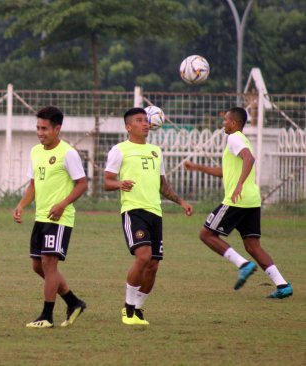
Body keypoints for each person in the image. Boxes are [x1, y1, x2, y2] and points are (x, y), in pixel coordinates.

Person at [184, 107, 292, 299]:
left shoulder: (233, 138)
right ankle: (282, 285)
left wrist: (239, 185)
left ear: (233, 123)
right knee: (252, 245)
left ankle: (243, 265)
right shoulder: (241, 140)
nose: (223, 123)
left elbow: (249, 159)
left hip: (237, 200)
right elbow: (225, 171)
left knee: (206, 234)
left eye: (225, 120)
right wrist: (197, 167)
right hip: (251, 200)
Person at [104, 107, 193, 326]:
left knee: (153, 266)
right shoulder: (120, 150)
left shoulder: (156, 151)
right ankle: (128, 309)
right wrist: (119, 184)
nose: (145, 123)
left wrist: (181, 201)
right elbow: (107, 182)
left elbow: (163, 186)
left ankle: (139, 309)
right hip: (133, 211)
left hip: (155, 212)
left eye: (146, 120)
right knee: (143, 257)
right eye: (139, 120)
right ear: (128, 126)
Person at [13, 106, 88, 329]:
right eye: (38, 128)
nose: (40, 132)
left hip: (60, 219)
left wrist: (63, 204)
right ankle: (74, 302)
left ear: (57, 129)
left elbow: (82, 184)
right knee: (38, 266)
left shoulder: (68, 153)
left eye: (44, 128)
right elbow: (33, 185)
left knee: (49, 263)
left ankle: (47, 316)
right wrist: (21, 205)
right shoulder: (35, 152)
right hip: (41, 218)